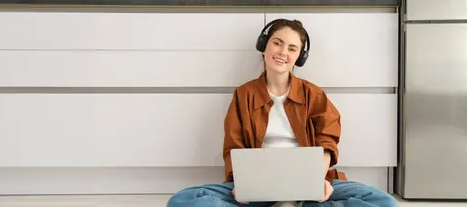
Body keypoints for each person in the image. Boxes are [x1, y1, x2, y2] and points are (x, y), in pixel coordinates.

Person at [167, 19, 399, 207]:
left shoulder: (313, 94)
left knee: (384, 202)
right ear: (264, 45)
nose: (282, 52)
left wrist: (316, 181)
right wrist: (243, 184)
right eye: (277, 43)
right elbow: (233, 146)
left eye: (292, 48)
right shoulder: (244, 94)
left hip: (308, 183)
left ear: (299, 56)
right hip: (259, 185)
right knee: (183, 200)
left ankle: (296, 203)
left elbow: (327, 141)